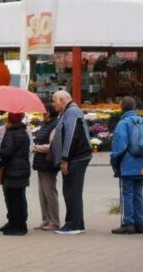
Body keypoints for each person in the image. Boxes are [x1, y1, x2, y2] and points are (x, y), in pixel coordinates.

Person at [51, 90, 91, 235]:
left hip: (76, 157)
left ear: (62, 100)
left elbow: (71, 136)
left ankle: (73, 225)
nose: (53, 104)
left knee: (71, 191)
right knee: (71, 190)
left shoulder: (72, 112)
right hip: (77, 157)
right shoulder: (68, 112)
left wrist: (65, 159)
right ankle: (76, 223)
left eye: (54, 101)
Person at [109, 97, 143, 235]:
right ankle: (140, 224)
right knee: (138, 194)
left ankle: (128, 223)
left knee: (127, 193)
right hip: (142, 163)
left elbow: (119, 147)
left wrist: (114, 161)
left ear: (122, 107)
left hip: (127, 163)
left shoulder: (123, 123)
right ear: (134, 107)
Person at [0, 112, 31, 236]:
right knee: (20, 198)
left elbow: (7, 151)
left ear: (10, 121)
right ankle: (20, 224)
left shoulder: (10, 133)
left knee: (12, 199)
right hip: (22, 169)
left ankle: (16, 226)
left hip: (12, 170)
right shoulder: (24, 132)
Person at [32, 102, 60, 231]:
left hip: (48, 163)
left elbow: (52, 145)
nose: (42, 114)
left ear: (48, 113)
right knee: (42, 193)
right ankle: (46, 219)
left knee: (50, 193)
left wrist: (38, 147)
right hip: (41, 163)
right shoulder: (47, 125)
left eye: (43, 111)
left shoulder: (54, 125)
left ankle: (54, 221)